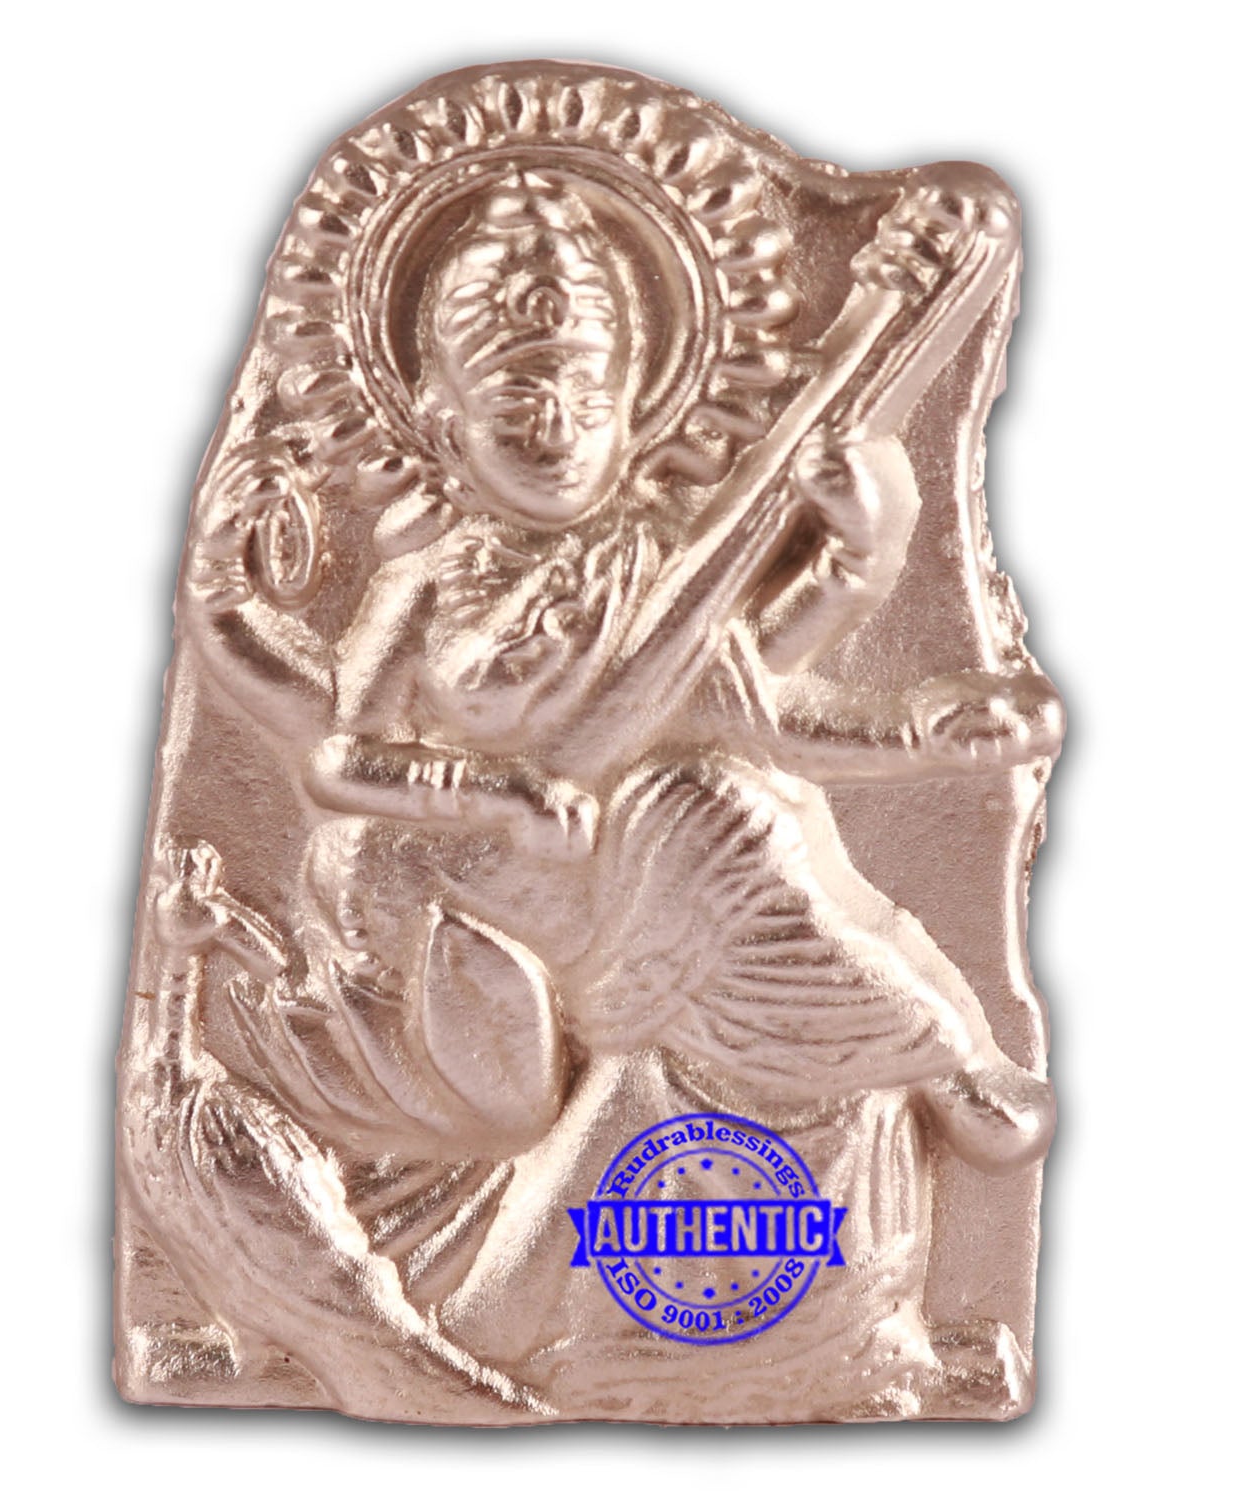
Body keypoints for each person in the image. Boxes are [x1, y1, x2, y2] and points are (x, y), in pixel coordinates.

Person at [194, 170, 1057, 1415]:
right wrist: (487, 792)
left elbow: (755, 704)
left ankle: (926, 1057)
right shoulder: (433, 579)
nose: (555, 425)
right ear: (440, 417)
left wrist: (895, 661)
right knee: (706, 813)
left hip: (638, 867)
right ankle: (940, 1058)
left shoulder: (647, 565)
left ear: (635, 409)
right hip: (473, 900)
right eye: (517, 397)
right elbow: (340, 762)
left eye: (587, 397)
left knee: (722, 802)